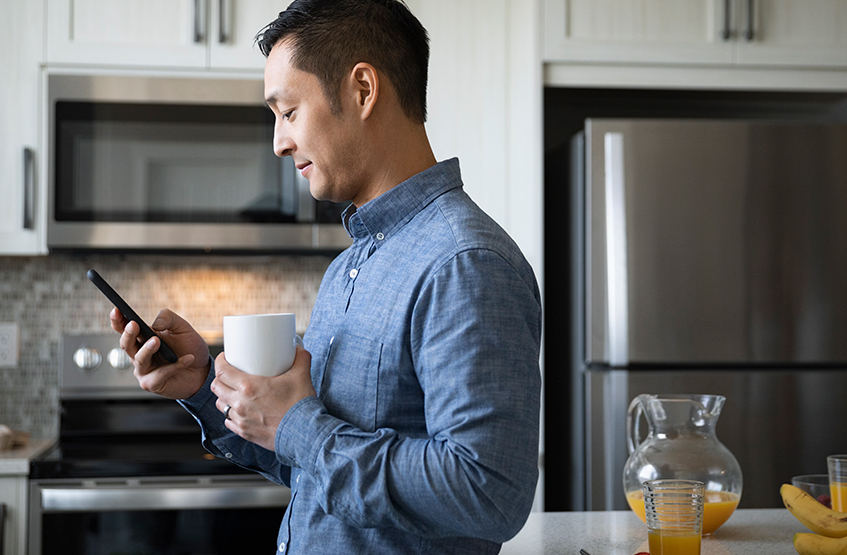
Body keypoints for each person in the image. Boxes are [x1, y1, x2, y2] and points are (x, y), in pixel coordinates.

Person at [109, 1, 542, 553]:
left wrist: (298, 425)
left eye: (288, 112)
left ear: (363, 90)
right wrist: (202, 384)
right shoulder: (348, 268)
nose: (278, 142)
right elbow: (313, 467)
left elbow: (489, 494)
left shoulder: (465, 263)